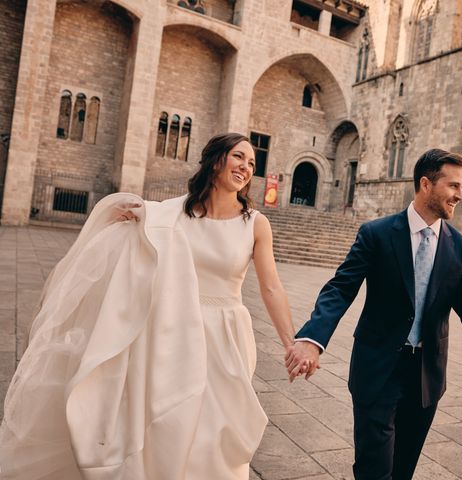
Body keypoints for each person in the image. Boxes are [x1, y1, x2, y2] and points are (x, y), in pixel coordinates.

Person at [0, 133, 296, 479]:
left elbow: (271, 286)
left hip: (226, 335)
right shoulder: (174, 214)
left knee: (217, 425)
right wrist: (129, 227)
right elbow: (139, 228)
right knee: (167, 420)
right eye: (239, 157)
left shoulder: (255, 224)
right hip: (171, 327)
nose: (246, 167)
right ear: (216, 160)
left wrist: (290, 341)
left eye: (252, 164)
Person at [285, 148, 462, 479]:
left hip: (426, 376)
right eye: (454, 186)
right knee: (375, 470)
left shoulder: (460, 246)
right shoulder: (377, 234)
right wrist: (313, 338)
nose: (460, 195)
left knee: (402, 469)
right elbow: (341, 288)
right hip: (378, 369)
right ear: (426, 184)